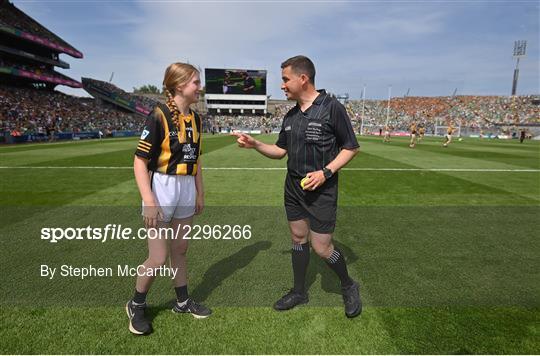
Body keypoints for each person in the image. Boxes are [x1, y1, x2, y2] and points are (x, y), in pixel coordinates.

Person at [233, 55, 362, 318]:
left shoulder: (331, 107)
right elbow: (280, 151)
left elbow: (351, 147)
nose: (282, 85)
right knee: (298, 238)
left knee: (322, 248)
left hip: (322, 190)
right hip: (293, 188)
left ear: (303, 79)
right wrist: (256, 144)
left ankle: (349, 285)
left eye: (285, 79)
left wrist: (326, 172)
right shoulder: (290, 115)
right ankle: (299, 291)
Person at [127, 62, 211, 335]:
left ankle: (183, 301)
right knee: (159, 256)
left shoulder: (197, 119)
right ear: (179, 85)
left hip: (186, 187)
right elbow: (140, 162)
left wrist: (199, 191)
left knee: (181, 249)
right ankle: (136, 303)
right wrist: (149, 200)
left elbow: (196, 160)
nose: (200, 87)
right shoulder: (158, 115)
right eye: (195, 82)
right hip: (161, 188)